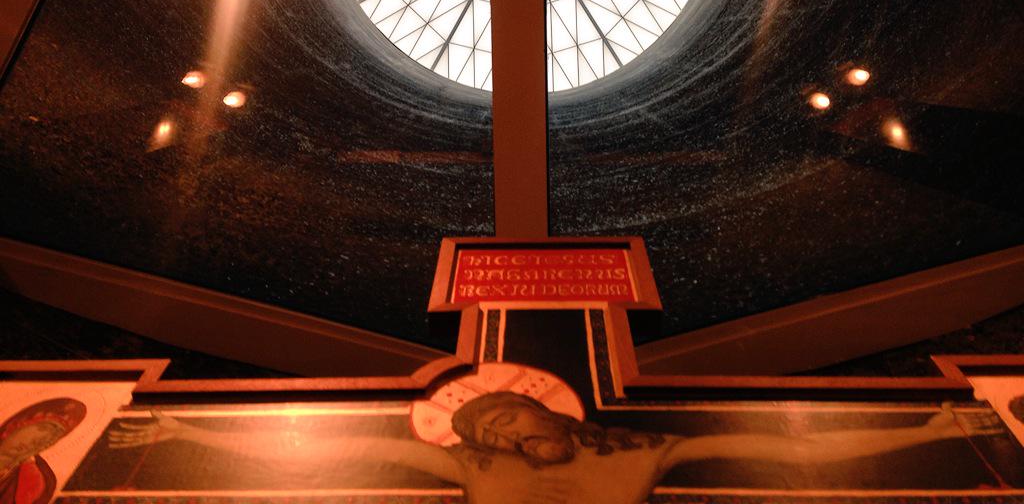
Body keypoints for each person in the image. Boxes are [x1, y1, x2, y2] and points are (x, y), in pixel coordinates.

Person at [109, 390, 1003, 504]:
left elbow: (796, 455)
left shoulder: (644, 452)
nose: (498, 437)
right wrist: (188, 428)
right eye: (484, 434)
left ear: (559, 415)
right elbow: (323, 457)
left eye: (505, 421)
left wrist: (926, 430)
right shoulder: (470, 466)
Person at [0, 398, 86, 504]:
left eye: (53, 438)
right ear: (18, 423)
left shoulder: (33, 481)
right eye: (43, 429)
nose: (40, 442)